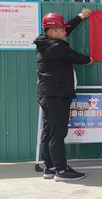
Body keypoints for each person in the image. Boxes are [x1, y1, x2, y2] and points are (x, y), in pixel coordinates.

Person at [34, 9, 94, 181]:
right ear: (52, 32)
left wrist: (81, 17)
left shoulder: (45, 42)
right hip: (56, 95)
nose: (65, 32)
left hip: (48, 94)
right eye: (61, 30)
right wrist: (89, 60)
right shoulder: (57, 47)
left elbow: (67, 28)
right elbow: (81, 58)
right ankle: (61, 170)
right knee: (58, 133)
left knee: (49, 131)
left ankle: (50, 167)